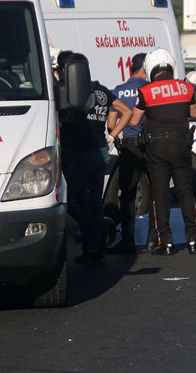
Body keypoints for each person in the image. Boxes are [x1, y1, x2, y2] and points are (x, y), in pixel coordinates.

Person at [56, 51, 129, 265]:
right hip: (100, 152)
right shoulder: (102, 91)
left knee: (67, 198)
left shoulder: (71, 91)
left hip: (80, 153)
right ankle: (93, 249)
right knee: (95, 201)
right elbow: (127, 112)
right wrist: (112, 135)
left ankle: (94, 227)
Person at [130, 47, 196, 255]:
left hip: (156, 149)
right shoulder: (186, 88)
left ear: (151, 68)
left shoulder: (146, 91)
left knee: (160, 194)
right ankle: (193, 239)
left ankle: (166, 242)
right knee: (186, 192)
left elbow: (135, 120)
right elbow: (194, 114)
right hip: (182, 147)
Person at [106, 52, 152, 254]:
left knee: (127, 196)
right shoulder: (149, 89)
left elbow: (110, 124)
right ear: (145, 69)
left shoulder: (118, 90)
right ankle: (156, 239)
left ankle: (128, 241)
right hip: (149, 146)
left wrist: (117, 139)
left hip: (127, 147)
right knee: (158, 192)